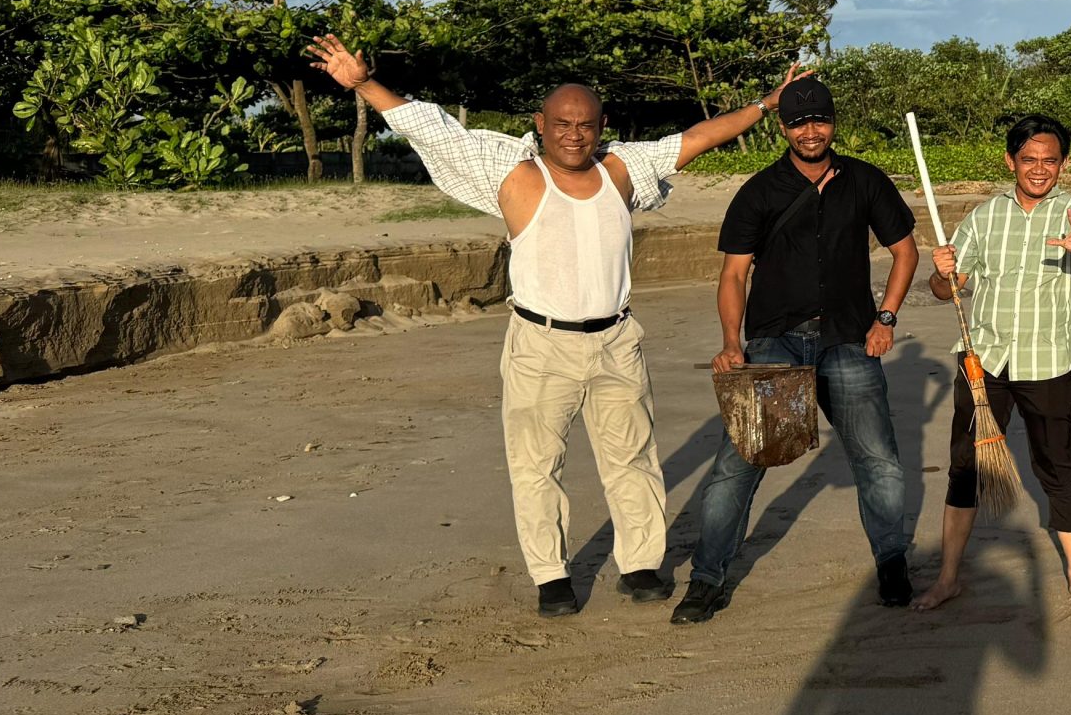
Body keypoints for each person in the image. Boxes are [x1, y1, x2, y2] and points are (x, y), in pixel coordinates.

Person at [306, 36, 783, 618]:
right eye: (562, 124)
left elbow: (699, 137)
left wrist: (765, 105)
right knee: (536, 466)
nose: (573, 135)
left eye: (585, 125)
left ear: (601, 127)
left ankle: (639, 564)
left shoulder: (623, 169)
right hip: (539, 343)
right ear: (541, 125)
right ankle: (552, 575)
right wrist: (364, 84)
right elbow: (432, 129)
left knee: (633, 457)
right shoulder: (512, 174)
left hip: (616, 342)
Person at [677, 74, 919, 623]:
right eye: (799, 122)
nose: (811, 131)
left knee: (878, 460)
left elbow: (905, 252)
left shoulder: (865, 180)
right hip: (774, 343)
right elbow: (734, 275)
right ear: (783, 128)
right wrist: (731, 343)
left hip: (850, 339)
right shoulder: (759, 191)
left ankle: (892, 564)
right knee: (739, 465)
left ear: (834, 123)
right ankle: (707, 579)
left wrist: (885, 318)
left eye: (820, 120)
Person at [914, 113, 1071, 612]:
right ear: (1011, 161)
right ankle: (948, 577)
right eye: (1029, 159)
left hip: (1048, 362)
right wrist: (942, 273)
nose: (1039, 169)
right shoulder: (983, 217)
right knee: (965, 466)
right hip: (984, 362)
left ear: (1063, 164)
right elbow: (946, 290)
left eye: (1050, 160)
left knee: (1058, 466)